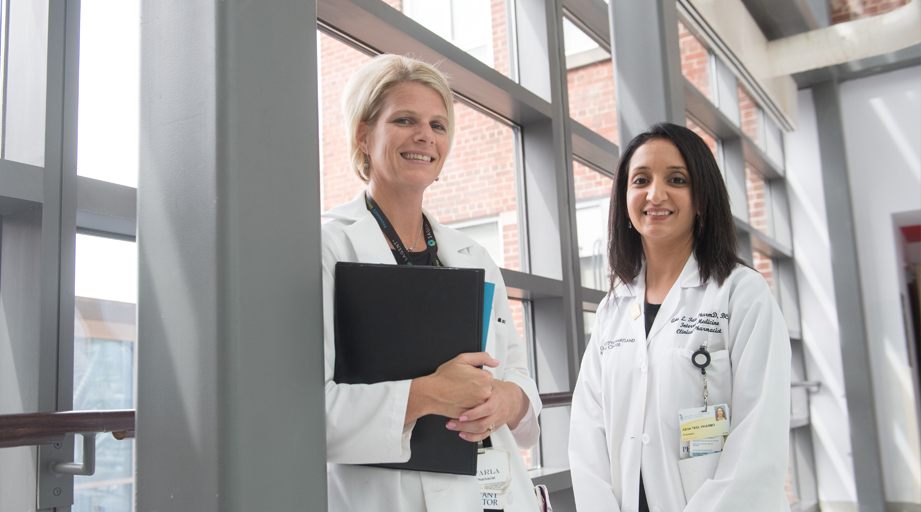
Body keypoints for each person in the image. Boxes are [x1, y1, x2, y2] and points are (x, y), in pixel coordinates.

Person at [322, 54, 542, 512]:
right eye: (405, 120)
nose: (425, 135)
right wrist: (424, 395)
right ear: (363, 135)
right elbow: (305, 409)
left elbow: (515, 372)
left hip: (491, 490)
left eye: (439, 126)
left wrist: (506, 399)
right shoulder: (326, 247)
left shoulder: (471, 255)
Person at [569, 122, 791, 511]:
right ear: (624, 199)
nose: (655, 194)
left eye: (676, 179)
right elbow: (588, 432)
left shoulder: (742, 294)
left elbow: (759, 435)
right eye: (640, 180)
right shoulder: (613, 309)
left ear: (702, 197)